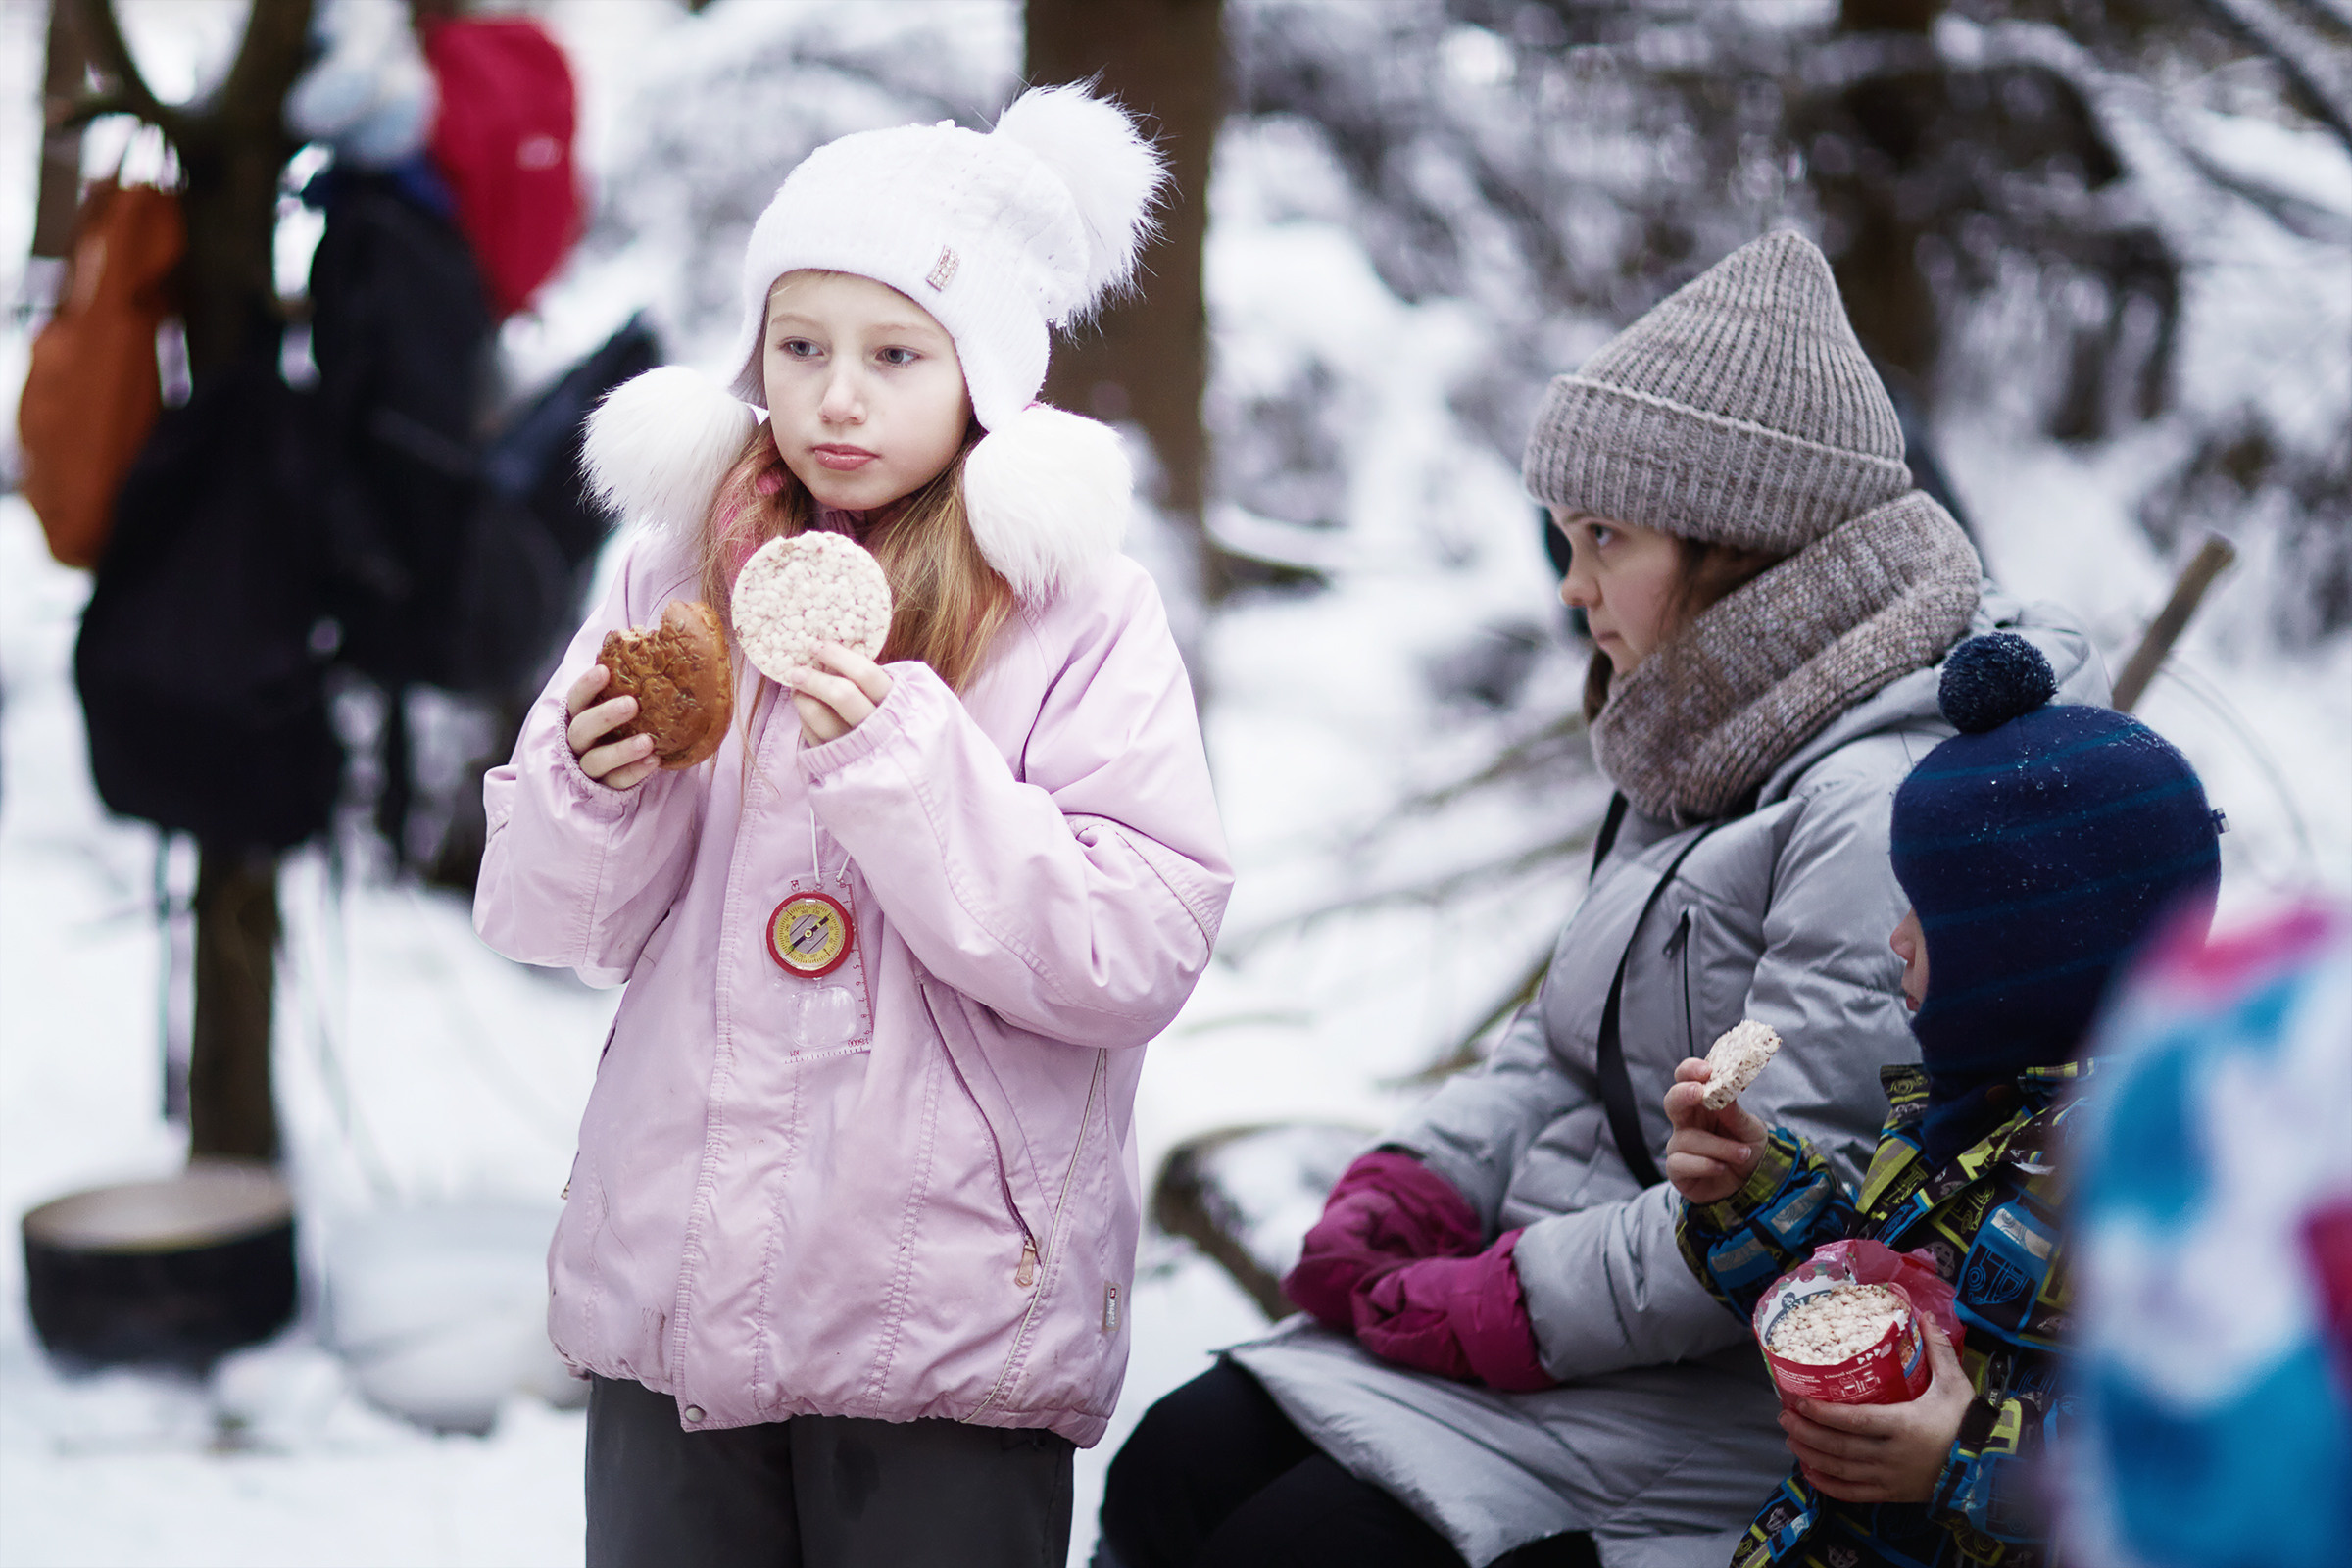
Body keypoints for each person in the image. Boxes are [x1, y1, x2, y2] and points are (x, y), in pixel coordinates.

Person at [1099, 229, 2090, 1568]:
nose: (1570, 589)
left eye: (1600, 539)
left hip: (1720, 1396)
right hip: (1576, 1338)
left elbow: (1804, 1192)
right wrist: (1413, 1188)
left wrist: (1498, 1303)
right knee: (1178, 1457)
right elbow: (1568, 1045)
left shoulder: (1880, 801)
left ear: (1740, 543)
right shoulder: (1717, 730)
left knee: (1298, 1551)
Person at [472, 86, 1233, 1568]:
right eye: (800, 347)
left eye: (894, 356)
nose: (835, 398)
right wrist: (590, 783)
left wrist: (903, 758)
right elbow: (548, 924)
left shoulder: (1075, 614)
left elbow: (1133, 947)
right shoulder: (672, 576)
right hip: (678, 1285)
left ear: (986, 379)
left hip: (940, 1313)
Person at [1664, 630, 2225, 1568]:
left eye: (1929, 915)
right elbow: (1877, 1308)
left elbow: (2192, 1471)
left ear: (2031, 954)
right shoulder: (1964, 1110)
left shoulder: (2156, 1179)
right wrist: (1748, 1187)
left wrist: (1964, 1457)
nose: (1895, 940)